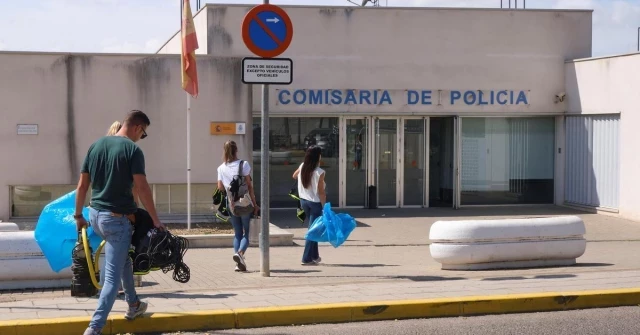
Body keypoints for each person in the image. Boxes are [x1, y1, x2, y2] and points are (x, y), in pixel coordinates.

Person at [75, 110, 165, 335]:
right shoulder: (132, 150)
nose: (141, 138)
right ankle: (94, 328)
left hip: (94, 215)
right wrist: (155, 220)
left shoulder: (95, 146)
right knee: (111, 281)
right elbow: (142, 188)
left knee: (123, 258)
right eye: (143, 133)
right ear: (137, 127)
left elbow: (82, 187)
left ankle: (134, 305)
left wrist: (79, 217)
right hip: (116, 221)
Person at [216, 140, 259, 272]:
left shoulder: (221, 168)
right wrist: (255, 204)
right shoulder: (243, 164)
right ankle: (239, 254)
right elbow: (250, 186)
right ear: (236, 150)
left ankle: (238, 264)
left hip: (232, 204)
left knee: (237, 233)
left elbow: (220, 187)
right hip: (245, 203)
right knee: (248, 232)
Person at [292, 146, 326, 265]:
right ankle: (306, 258)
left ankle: (314, 256)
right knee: (312, 230)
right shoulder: (319, 172)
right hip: (315, 203)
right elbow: (321, 192)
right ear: (317, 156)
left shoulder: (302, 166)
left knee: (313, 228)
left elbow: (294, 176)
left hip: (304, 201)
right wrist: (325, 206)